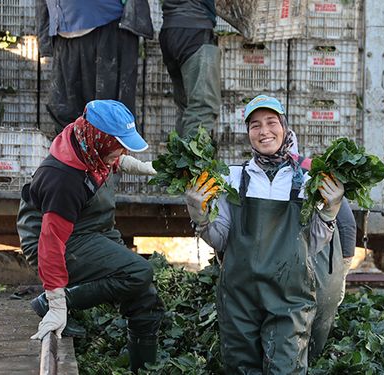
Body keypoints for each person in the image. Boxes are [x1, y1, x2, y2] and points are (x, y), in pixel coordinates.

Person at [185, 94, 346, 373]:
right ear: (248, 133)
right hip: (239, 297)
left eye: (271, 122)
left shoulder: (307, 182)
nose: (264, 131)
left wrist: (329, 212)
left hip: (289, 298)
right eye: (255, 125)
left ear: (284, 127)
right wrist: (200, 218)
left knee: (286, 368)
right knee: (241, 368)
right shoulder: (232, 180)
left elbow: (314, 242)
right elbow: (221, 239)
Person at [16, 100, 164, 373]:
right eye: (118, 143)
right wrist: (58, 301)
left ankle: (143, 370)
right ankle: (49, 302)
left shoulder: (90, 142)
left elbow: (116, 159)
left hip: (89, 228)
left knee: (146, 297)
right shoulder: (64, 178)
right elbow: (51, 243)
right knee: (138, 272)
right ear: (101, 139)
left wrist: (150, 168)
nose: (122, 150)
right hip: (55, 241)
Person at [288, 130, 357, 361]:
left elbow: (345, 221)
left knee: (316, 317)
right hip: (283, 266)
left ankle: (311, 359)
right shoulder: (256, 176)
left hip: (320, 260)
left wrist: (344, 263)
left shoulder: (312, 172)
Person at [36, 0, 153, 135]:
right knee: (64, 112)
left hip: (107, 26)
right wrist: (44, 37)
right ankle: (75, 153)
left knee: (107, 113)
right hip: (64, 32)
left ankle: (111, 155)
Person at [159, 0, 221, 139]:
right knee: (202, 106)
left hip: (170, 28)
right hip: (195, 29)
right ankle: (193, 160)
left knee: (186, 106)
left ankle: (180, 158)